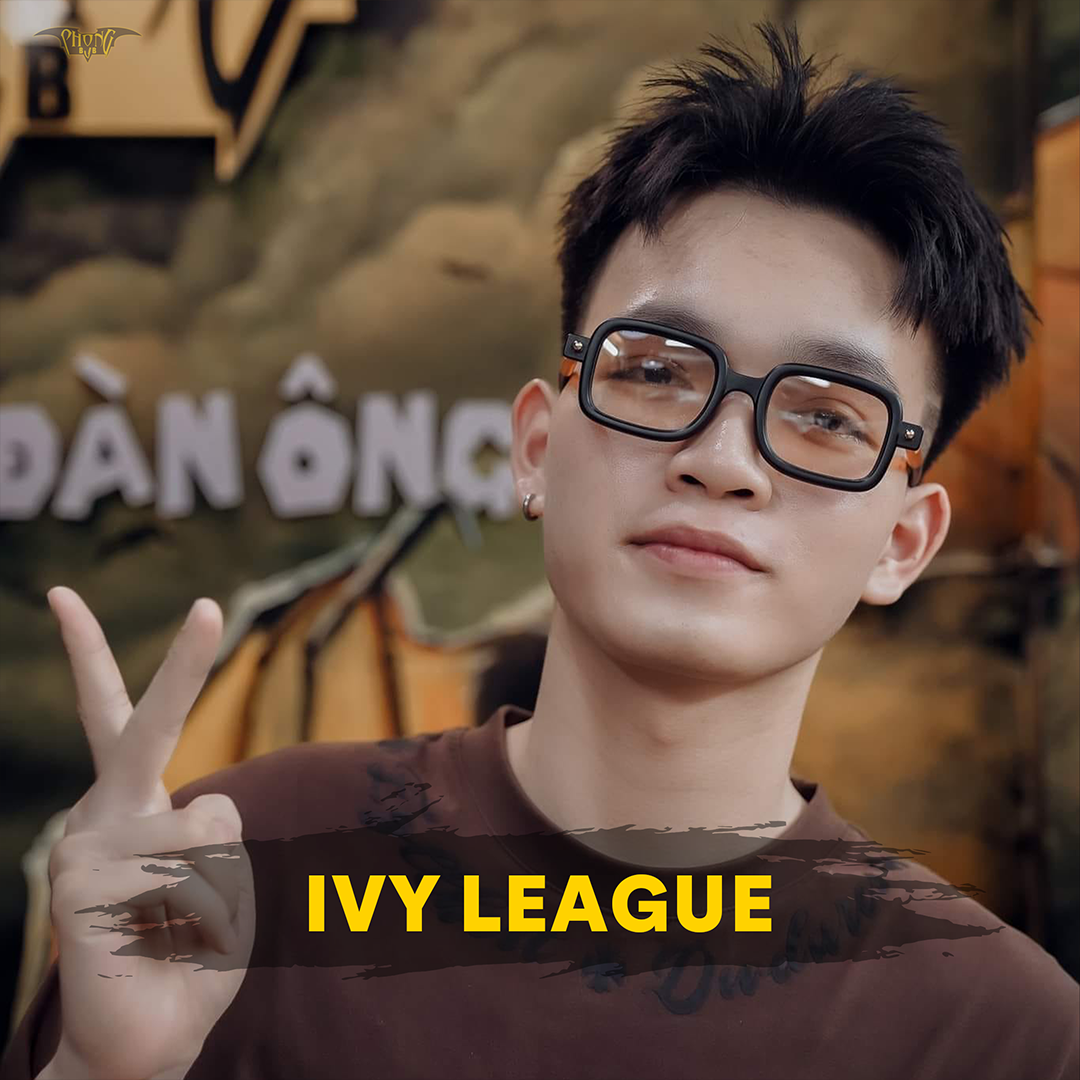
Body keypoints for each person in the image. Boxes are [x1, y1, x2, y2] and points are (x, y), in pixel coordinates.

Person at [3, 21, 1078, 1080]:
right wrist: (105, 1070)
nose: (723, 460)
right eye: (656, 371)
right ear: (536, 447)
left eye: (827, 416)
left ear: (903, 541)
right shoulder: (244, 867)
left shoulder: (1005, 1036)